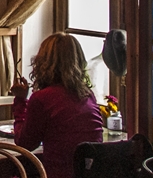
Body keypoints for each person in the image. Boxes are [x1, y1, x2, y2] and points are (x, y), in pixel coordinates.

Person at [10, 33, 104, 178]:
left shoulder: (42, 99)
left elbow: (24, 144)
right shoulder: (88, 95)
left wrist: (20, 101)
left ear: (43, 62)